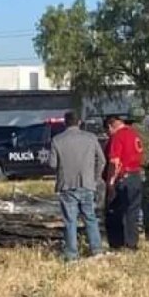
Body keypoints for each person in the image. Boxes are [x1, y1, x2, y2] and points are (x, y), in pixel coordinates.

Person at [48, 112, 106, 262]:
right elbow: (102, 160)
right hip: (87, 183)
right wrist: (95, 177)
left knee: (70, 220)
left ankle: (72, 253)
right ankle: (96, 249)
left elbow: (52, 164)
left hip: (66, 185)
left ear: (64, 123)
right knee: (90, 217)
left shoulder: (57, 140)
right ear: (79, 122)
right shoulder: (91, 138)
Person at [104, 114, 144, 250]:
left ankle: (119, 243)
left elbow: (114, 162)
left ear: (111, 126)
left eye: (107, 130)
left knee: (118, 211)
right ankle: (132, 243)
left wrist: (110, 182)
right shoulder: (134, 134)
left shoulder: (117, 136)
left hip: (124, 177)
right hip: (136, 175)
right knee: (133, 211)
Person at [129, 106, 149, 240]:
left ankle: (131, 234)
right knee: (146, 204)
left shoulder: (128, 132)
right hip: (146, 171)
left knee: (131, 204)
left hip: (132, 171)